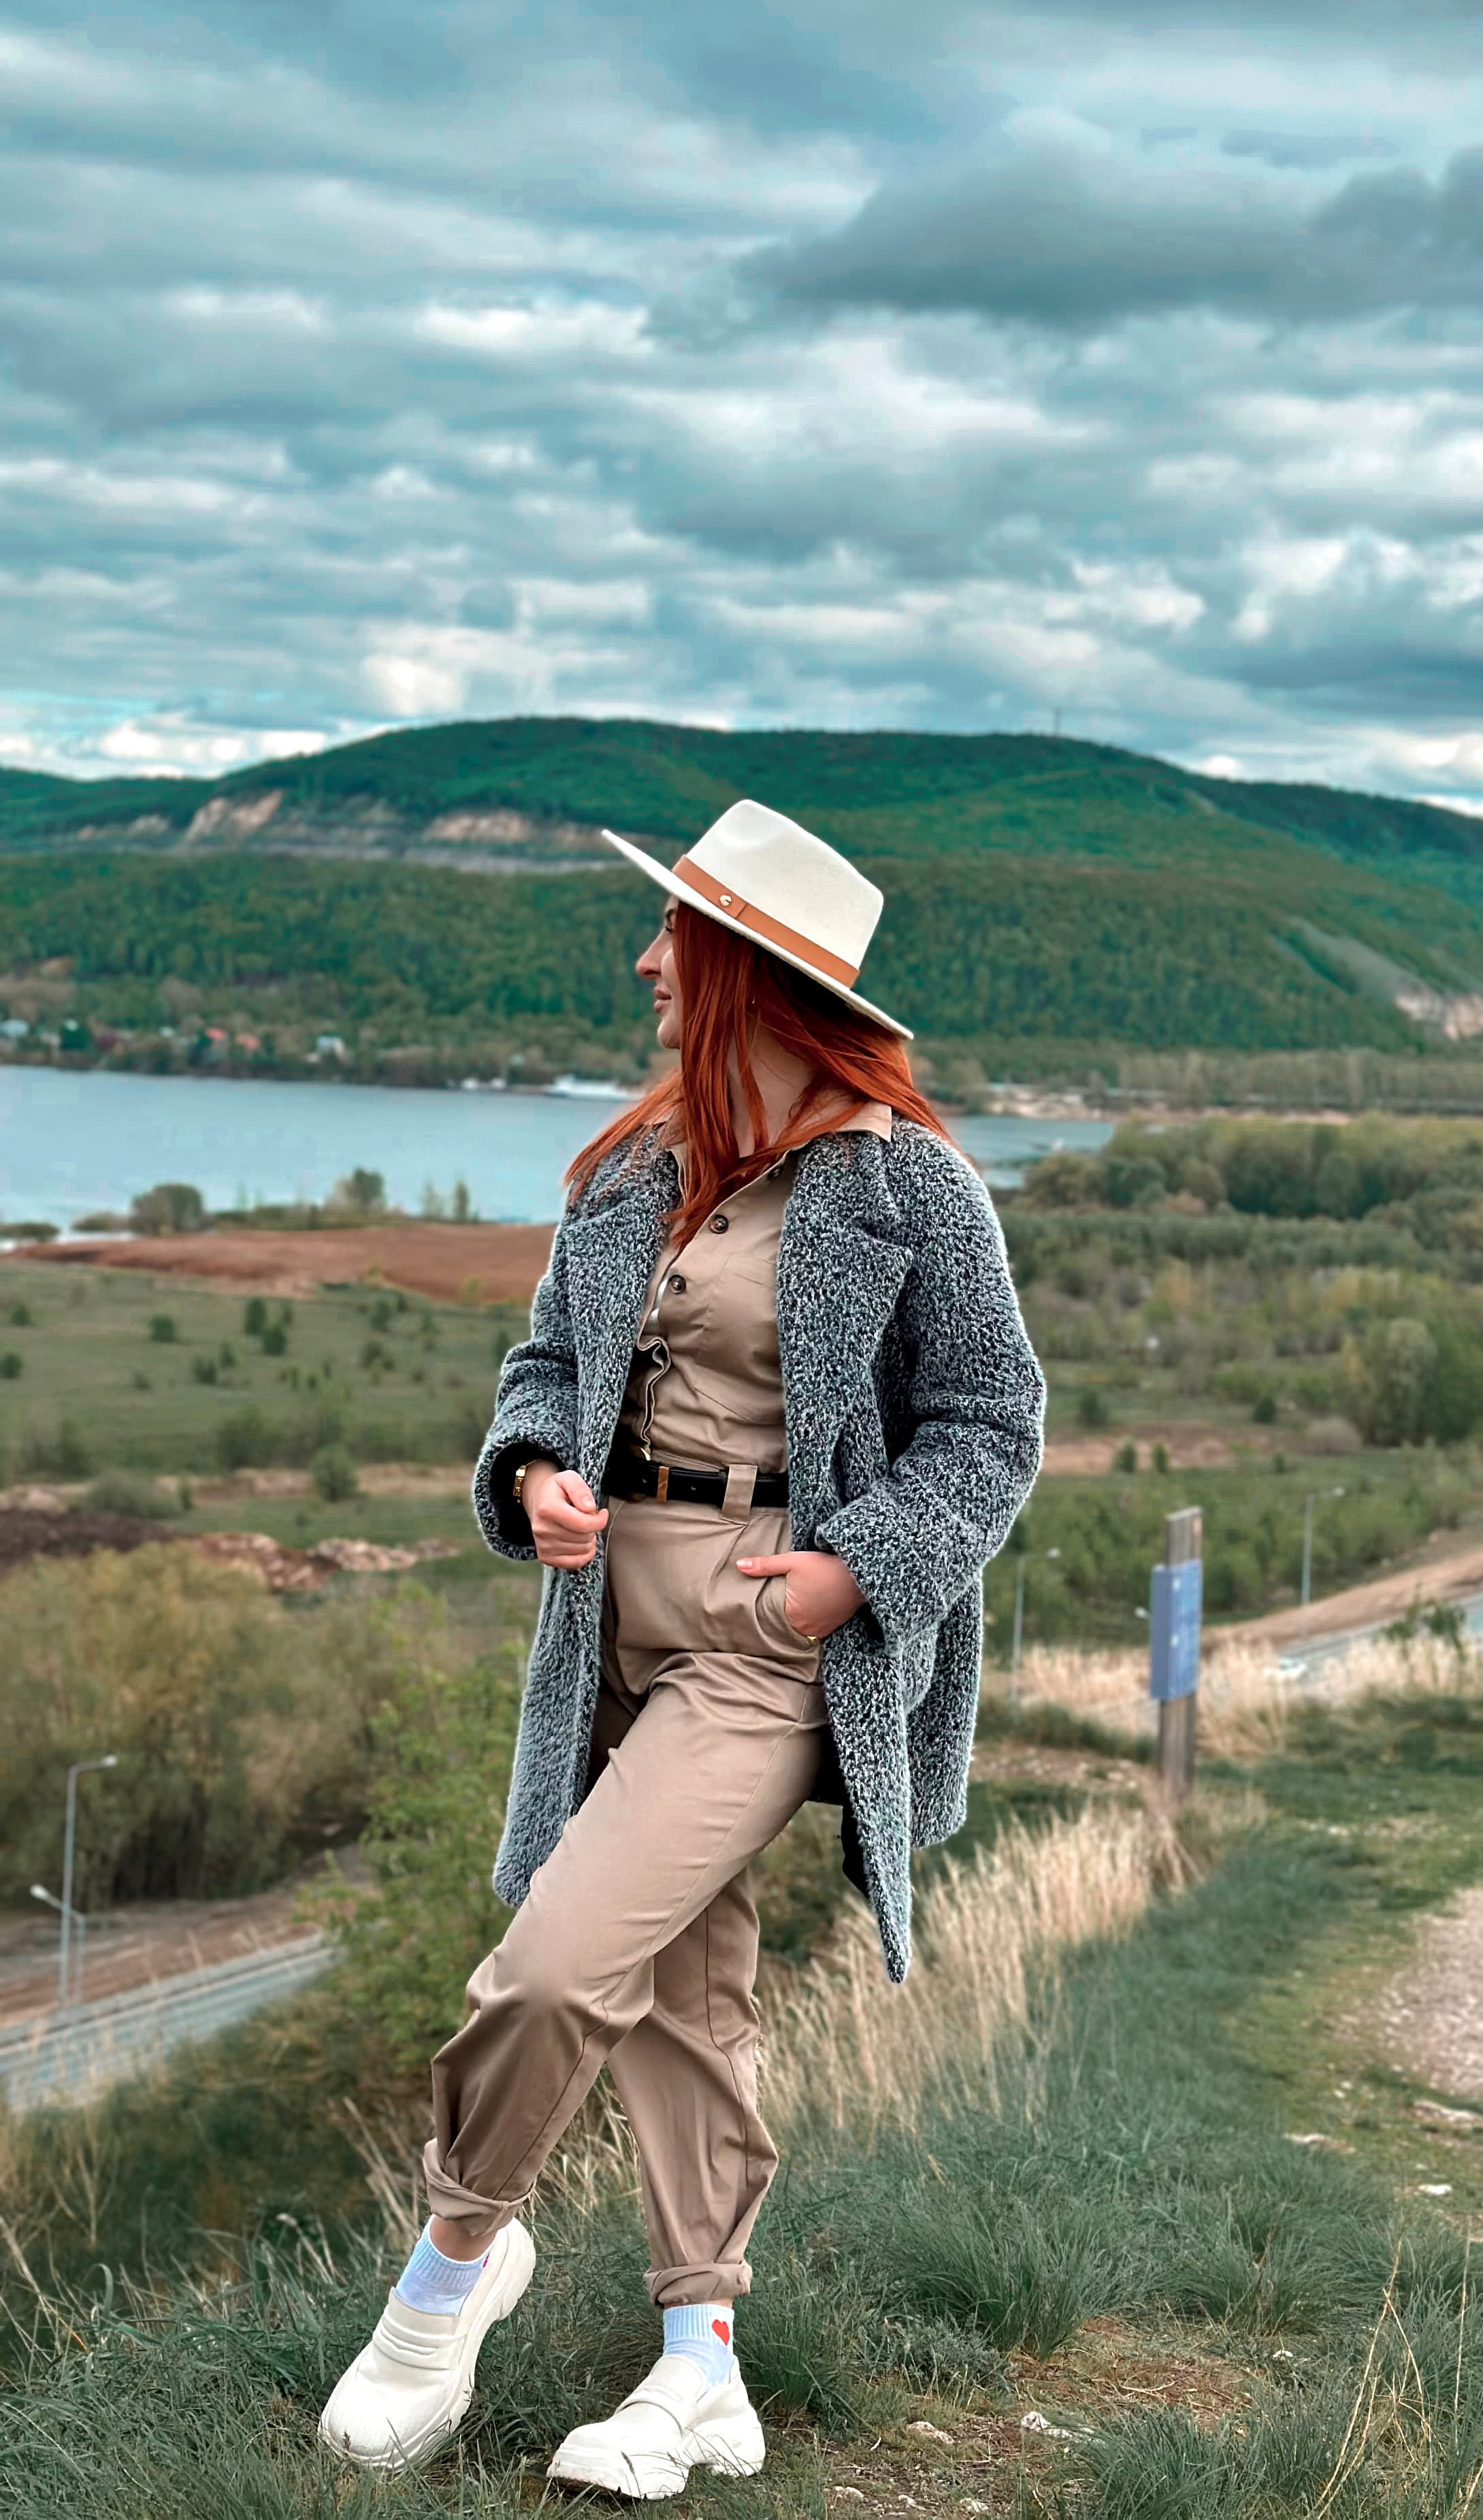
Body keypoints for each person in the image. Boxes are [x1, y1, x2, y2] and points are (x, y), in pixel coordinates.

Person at [319, 797, 1045, 2496]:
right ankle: (700, 2369)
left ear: (750, 974)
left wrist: (848, 1577)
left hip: (765, 1632)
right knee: (682, 2000)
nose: (647, 960)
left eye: (678, 937)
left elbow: (990, 1424)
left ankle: (448, 2275)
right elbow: (537, 1372)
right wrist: (533, 1477)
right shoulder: (635, 1163)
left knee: (562, 1965)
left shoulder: (911, 1187)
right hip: (606, 1616)